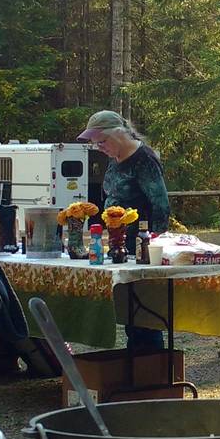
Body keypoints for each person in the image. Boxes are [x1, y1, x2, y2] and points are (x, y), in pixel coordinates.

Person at [79, 110, 172, 352]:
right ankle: (136, 358)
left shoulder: (144, 160)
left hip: (142, 246)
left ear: (119, 134)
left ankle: (151, 363)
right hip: (121, 243)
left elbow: (160, 206)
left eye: (102, 142)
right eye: (95, 144)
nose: (99, 148)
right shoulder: (115, 158)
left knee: (146, 311)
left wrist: (153, 246)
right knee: (130, 309)